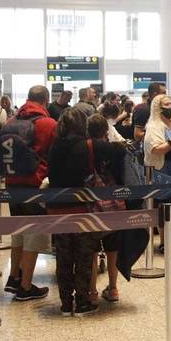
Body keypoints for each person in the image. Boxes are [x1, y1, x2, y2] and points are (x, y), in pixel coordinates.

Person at [3, 85, 56, 301]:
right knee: (34, 234)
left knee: (19, 230)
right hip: (35, 185)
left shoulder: (11, 121)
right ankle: (26, 286)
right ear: (46, 100)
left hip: (11, 184)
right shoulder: (48, 123)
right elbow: (55, 154)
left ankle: (14, 277)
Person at [47, 108, 97, 316]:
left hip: (57, 208)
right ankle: (82, 300)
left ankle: (65, 303)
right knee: (84, 256)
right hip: (81, 206)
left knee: (63, 256)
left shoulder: (55, 146)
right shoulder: (85, 146)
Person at [86, 114, 128, 304]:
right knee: (113, 247)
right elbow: (123, 176)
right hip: (115, 203)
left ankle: (92, 291)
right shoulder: (117, 150)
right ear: (106, 131)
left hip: (92, 203)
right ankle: (113, 288)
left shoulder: (86, 149)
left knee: (92, 249)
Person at [143, 94, 171, 177]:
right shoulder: (153, 126)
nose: (170, 107)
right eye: (166, 104)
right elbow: (156, 150)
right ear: (158, 108)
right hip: (161, 168)